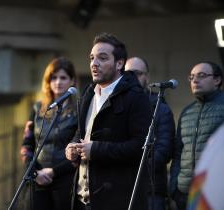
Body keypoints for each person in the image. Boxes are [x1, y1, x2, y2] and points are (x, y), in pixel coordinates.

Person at [65, 32, 152, 210]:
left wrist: (96, 150)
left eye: (102, 58)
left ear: (119, 63)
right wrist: (72, 146)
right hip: (82, 200)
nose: (94, 64)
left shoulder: (136, 97)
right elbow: (81, 133)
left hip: (116, 200)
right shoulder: (89, 94)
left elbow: (141, 148)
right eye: (91, 58)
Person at [20, 57, 78, 210]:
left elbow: (78, 151)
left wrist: (53, 172)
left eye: (63, 77)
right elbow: (26, 145)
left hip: (65, 180)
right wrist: (34, 173)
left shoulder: (79, 110)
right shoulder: (37, 108)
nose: (58, 82)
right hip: (37, 179)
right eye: (54, 77)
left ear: (72, 81)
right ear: (48, 81)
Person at [169, 61, 224, 210]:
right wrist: (174, 186)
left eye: (201, 75)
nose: (195, 80)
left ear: (217, 80)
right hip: (184, 194)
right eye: (192, 77)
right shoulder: (187, 112)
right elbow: (178, 153)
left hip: (215, 193)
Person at [125, 57, 175, 210]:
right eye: (128, 74)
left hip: (150, 191)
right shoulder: (117, 106)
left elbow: (163, 152)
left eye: (137, 73)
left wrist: (128, 167)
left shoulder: (161, 109)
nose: (132, 78)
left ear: (147, 77)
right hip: (122, 189)